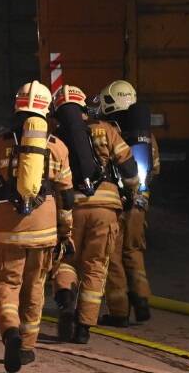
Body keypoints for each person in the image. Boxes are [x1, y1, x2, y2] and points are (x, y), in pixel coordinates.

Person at [0, 80, 73, 372]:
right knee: (35, 287)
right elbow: (66, 196)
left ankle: (11, 333)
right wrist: (65, 231)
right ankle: (28, 347)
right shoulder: (57, 148)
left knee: (7, 285)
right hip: (45, 229)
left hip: (8, 229)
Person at [49, 84, 139, 345]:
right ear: (85, 108)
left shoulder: (56, 138)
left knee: (66, 260)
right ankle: (84, 328)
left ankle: (65, 298)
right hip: (105, 210)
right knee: (95, 267)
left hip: (70, 208)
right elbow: (129, 167)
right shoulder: (107, 130)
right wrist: (133, 194)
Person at [98, 79, 160, 325]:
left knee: (113, 257)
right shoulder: (146, 137)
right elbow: (155, 168)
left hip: (116, 205)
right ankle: (142, 300)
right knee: (134, 252)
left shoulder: (109, 132)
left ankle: (119, 312)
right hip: (140, 205)